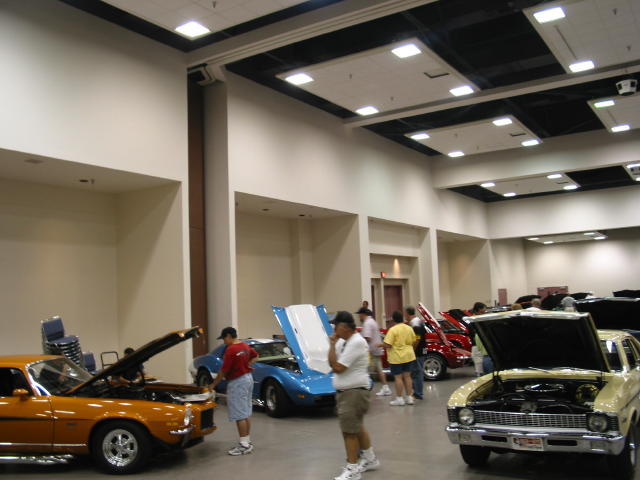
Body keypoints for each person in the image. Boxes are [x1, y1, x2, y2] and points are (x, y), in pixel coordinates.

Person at [329, 311, 379, 480]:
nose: (334, 329)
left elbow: (338, 367)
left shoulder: (356, 342)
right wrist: (332, 344)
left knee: (349, 432)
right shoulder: (343, 342)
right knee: (356, 427)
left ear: (344, 326)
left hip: (354, 392)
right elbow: (331, 362)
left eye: (336, 325)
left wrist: (333, 352)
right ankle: (370, 459)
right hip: (347, 392)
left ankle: (352, 469)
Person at [209, 326, 258, 456]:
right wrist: (247, 365)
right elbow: (256, 356)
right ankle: (247, 441)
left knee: (239, 414)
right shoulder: (244, 346)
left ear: (229, 336)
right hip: (248, 379)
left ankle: (244, 446)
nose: (224, 342)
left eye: (224, 338)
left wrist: (213, 384)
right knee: (245, 412)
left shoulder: (231, 350)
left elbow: (223, 371)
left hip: (237, 382)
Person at [383, 310, 416, 406]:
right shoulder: (409, 328)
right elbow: (413, 340)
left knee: (398, 378)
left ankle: (399, 399)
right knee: (407, 377)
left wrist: (381, 344)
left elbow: (388, 344)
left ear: (393, 319)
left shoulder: (393, 330)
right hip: (408, 356)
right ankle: (409, 397)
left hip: (396, 357)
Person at [357, 307, 390, 396]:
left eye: (359, 315)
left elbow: (368, 338)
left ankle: (364, 388)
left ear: (363, 314)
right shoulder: (372, 321)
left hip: (371, 351)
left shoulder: (367, 323)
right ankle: (386, 388)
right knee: (379, 370)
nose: (359, 317)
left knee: (365, 370)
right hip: (376, 350)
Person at [408, 312, 427, 400]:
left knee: (417, 373)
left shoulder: (416, 325)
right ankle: (417, 392)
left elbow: (417, 339)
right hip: (422, 351)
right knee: (417, 372)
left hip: (418, 352)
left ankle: (418, 393)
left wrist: (412, 350)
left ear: (408, 314)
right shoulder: (419, 322)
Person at [469, 302, 487, 377]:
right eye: (484, 310)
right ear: (479, 309)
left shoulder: (476, 319)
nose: (485, 311)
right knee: (480, 370)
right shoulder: (475, 320)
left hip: (478, 347)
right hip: (477, 347)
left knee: (480, 368)